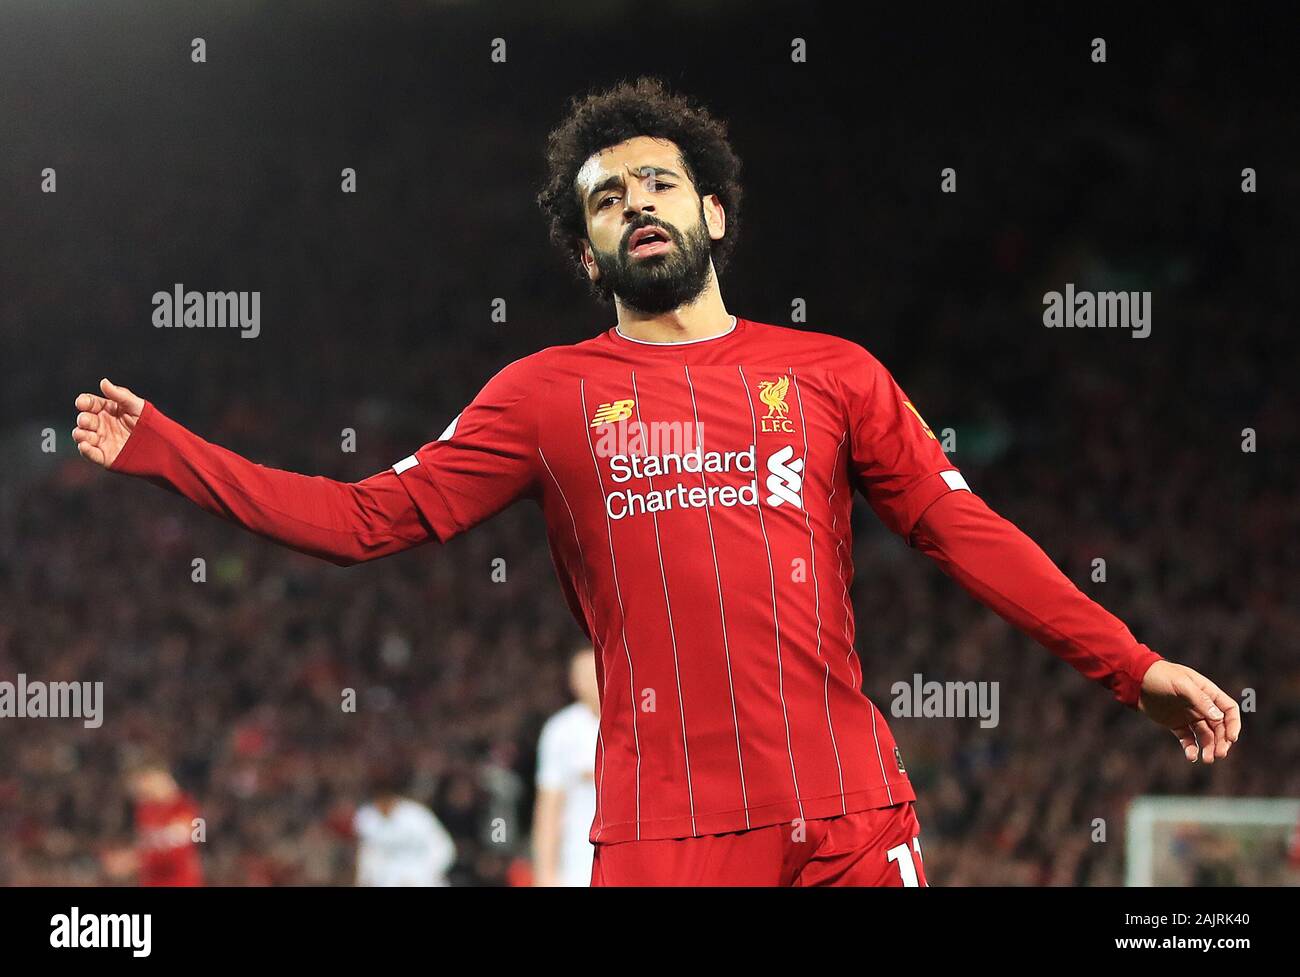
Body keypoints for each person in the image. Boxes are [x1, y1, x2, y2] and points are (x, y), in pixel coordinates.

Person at [72, 76, 1241, 886]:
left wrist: (1128, 663)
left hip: (845, 805)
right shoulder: (541, 394)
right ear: (587, 254)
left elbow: (964, 530)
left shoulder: (832, 373)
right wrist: (169, 447)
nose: (636, 202)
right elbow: (366, 518)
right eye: (606, 198)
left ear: (712, 211)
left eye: (657, 183)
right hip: (664, 831)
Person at [532, 648, 600, 886]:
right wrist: (544, 874)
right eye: (582, 675)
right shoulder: (560, 730)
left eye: (595, 671)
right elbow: (549, 807)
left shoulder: (636, 722)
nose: (590, 681)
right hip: (578, 865)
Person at [354, 766, 457, 887]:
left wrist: (424, 874)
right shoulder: (366, 817)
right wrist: (364, 879)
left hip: (422, 875)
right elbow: (369, 853)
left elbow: (443, 847)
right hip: (387, 878)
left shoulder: (417, 815)